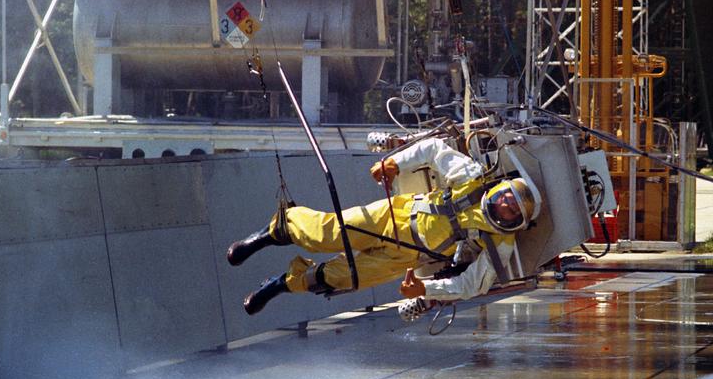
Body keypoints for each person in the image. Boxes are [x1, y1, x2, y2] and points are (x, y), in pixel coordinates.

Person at [227, 136, 540, 317]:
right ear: (500, 189)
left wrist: (425, 288)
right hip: (395, 216)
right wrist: (395, 163)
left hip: (409, 258)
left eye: (512, 210)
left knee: (343, 278)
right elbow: (433, 150)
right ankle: (268, 235)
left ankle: (280, 284)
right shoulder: (472, 177)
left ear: (516, 222)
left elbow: (473, 285)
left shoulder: (501, 243)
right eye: (506, 197)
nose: (504, 206)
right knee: (327, 234)